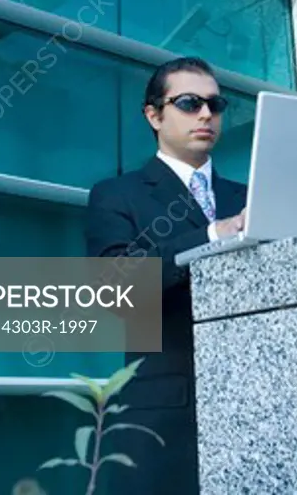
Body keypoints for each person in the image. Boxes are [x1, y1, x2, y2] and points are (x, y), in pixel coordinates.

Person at [85, 56, 247, 495]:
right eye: (190, 103)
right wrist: (214, 233)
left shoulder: (250, 197)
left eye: (215, 104)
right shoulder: (117, 194)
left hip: (257, 399)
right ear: (154, 115)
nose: (206, 115)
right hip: (165, 420)